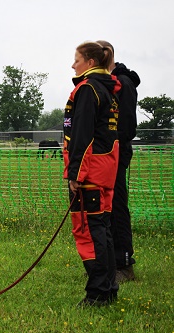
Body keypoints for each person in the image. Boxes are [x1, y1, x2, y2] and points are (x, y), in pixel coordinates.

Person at [63, 41, 121, 307]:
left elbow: (82, 136)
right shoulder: (109, 90)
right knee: (103, 229)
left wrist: (75, 173)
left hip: (90, 174)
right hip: (105, 170)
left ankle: (97, 293)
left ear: (89, 62)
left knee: (89, 230)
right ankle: (108, 288)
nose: (73, 65)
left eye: (76, 59)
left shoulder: (88, 90)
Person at [97, 40, 141, 283]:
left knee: (117, 205)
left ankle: (124, 263)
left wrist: (110, 145)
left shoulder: (122, 83)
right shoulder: (106, 83)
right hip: (104, 153)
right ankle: (107, 262)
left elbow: (125, 127)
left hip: (115, 152)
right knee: (103, 207)